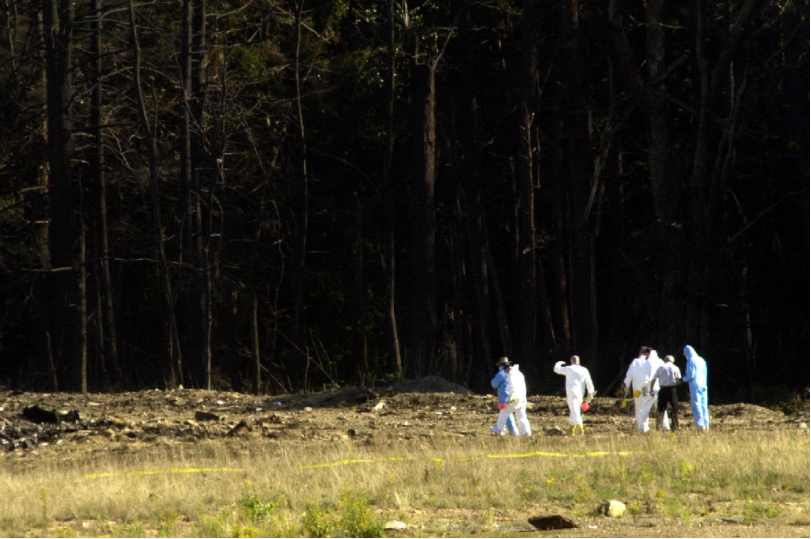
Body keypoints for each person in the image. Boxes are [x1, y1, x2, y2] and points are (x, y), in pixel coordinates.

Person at [553, 356, 595, 435]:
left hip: (571, 393)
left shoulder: (569, 369)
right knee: (574, 410)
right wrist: (590, 394)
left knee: (575, 411)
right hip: (580, 394)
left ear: (571, 361)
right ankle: (571, 429)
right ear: (579, 361)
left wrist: (559, 363)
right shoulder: (584, 370)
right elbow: (589, 383)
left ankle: (580, 428)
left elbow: (556, 369)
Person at [494, 361, 532, 436]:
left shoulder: (510, 374)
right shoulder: (519, 373)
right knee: (522, 416)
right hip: (522, 398)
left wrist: (510, 397)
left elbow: (512, 386)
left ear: (506, 369)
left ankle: (499, 430)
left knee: (503, 412)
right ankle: (526, 432)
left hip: (514, 398)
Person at [623, 346, 651, 432]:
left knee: (638, 406)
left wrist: (626, 386)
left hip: (637, 389)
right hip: (646, 387)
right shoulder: (649, 362)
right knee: (646, 405)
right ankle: (645, 425)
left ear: (639, 353)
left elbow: (629, 375)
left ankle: (640, 424)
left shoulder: (635, 362)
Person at [650, 354, 681, 431]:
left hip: (663, 389)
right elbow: (678, 380)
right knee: (674, 408)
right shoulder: (675, 368)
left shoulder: (660, 368)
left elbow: (654, 379)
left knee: (661, 409)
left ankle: (659, 426)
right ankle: (675, 427)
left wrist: (651, 389)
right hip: (672, 389)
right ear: (672, 361)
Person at [682, 345, 709, 431]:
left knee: (696, 405)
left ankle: (700, 426)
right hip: (704, 384)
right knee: (704, 405)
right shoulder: (702, 360)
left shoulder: (691, 361)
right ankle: (706, 425)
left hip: (695, 385)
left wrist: (682, 379)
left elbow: (691, 375)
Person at [642, 349, 670, 431]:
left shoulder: (648, 362)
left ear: (648, 354)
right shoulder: (661, 361)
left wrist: (644, 388)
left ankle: (644, 427)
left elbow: (646, 377)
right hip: (660, 387)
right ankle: (665, 426)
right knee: (662, 408)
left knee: (646, 407)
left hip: (650, 388)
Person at [490, 357, 518, 436]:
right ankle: (501, 429)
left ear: (501, 365)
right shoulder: (513, 372)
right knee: (503, 414)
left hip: (504, 399)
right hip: (514, 397)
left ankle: (513, 432)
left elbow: (493, 384)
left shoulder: (501, 373)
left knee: (507, 414)